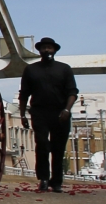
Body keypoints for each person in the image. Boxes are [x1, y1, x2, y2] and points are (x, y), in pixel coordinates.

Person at [19, 37, 78, 193]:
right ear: (39, 51)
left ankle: (56, 182)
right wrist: (23, 115)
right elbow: (24, 93)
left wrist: (67, 109)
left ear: (55, 50)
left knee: (58, 148)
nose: (47, 50)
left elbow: (72, 92)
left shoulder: (65, 69)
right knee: (42, 144)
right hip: (39, 112)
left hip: (60, 113)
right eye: (44, 48)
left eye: (49, 48)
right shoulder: (31, 70)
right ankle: (44, 179)